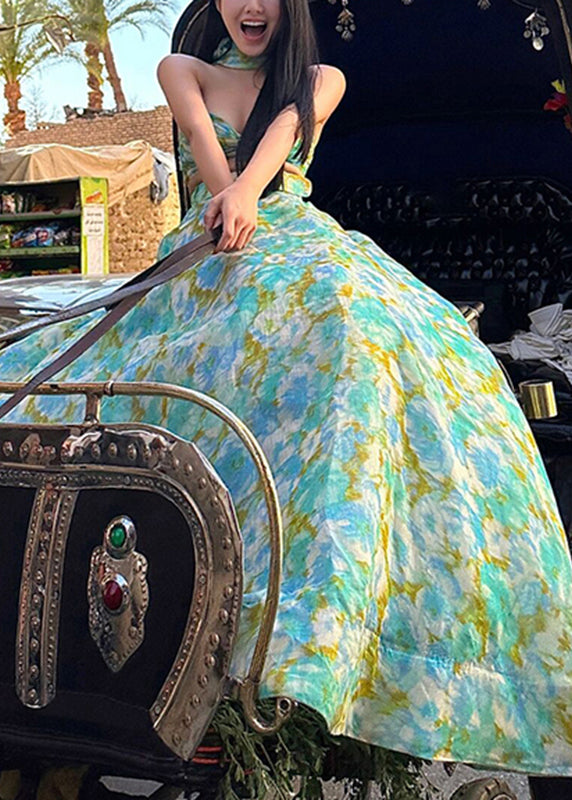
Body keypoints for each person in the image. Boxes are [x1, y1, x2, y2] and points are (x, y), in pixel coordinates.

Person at [2, 0, 572, 789]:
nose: (250, 7)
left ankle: (324, 624)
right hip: (213, 245)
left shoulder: (322, 78)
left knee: (356, 327)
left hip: (292, 238)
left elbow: (280, 137)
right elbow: (212, 162)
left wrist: (247, 194)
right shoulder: (181, 69)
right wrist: (228, 198)